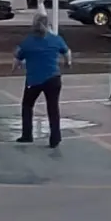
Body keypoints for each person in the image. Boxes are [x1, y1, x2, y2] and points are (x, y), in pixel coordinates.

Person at [13, 13, 71, 148]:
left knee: (27, 106)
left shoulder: (27, 42)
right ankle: (55, 137)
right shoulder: (56, 40)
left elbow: (17, 58)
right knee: (53, 108)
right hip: (53, 78)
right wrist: (68, 63)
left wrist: (14, 69)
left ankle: (27, 135)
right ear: (48, 24)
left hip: (34, 80)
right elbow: (67, 52)